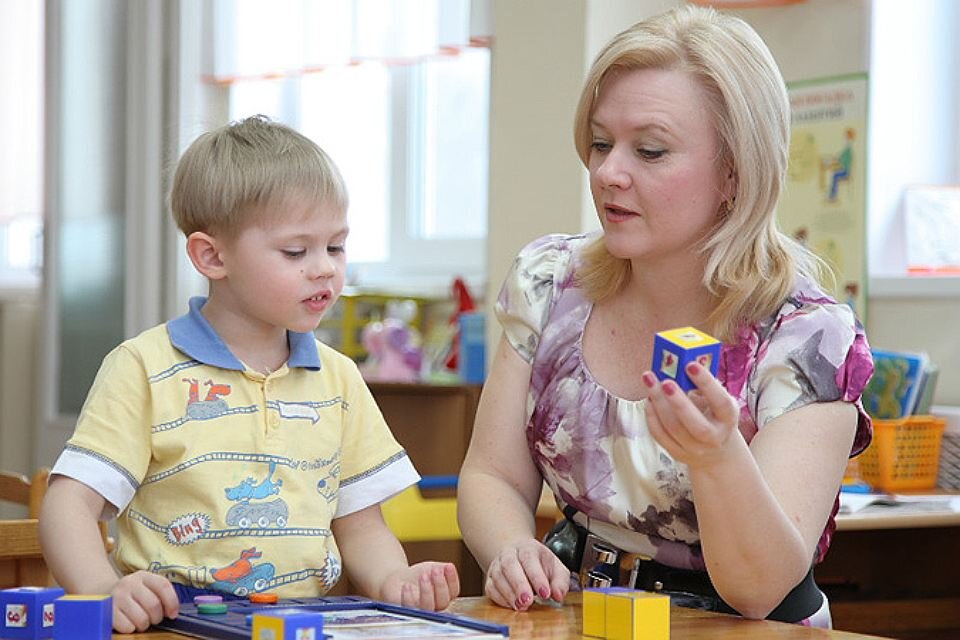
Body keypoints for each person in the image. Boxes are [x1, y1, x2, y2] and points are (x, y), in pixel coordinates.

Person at [457, 5, 873, 629]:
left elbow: (758, 590)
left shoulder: (808, 336)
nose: (607, 172)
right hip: (578, 612)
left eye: (650, 151)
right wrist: (510, 548)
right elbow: (492, 474)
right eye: (600, 143)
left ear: (734, 173)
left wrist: (715, 457)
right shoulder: (548, 281)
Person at [39, 115, 459, 633]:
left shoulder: (340, 379)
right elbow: (68, 503)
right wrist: (102, 590)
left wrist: (396, 579)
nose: (325, 268)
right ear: (212, 256)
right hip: (173, 624)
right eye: (295, 251)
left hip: (299, 623)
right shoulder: (143, 368)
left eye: (336, 246)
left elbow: (361, 526)